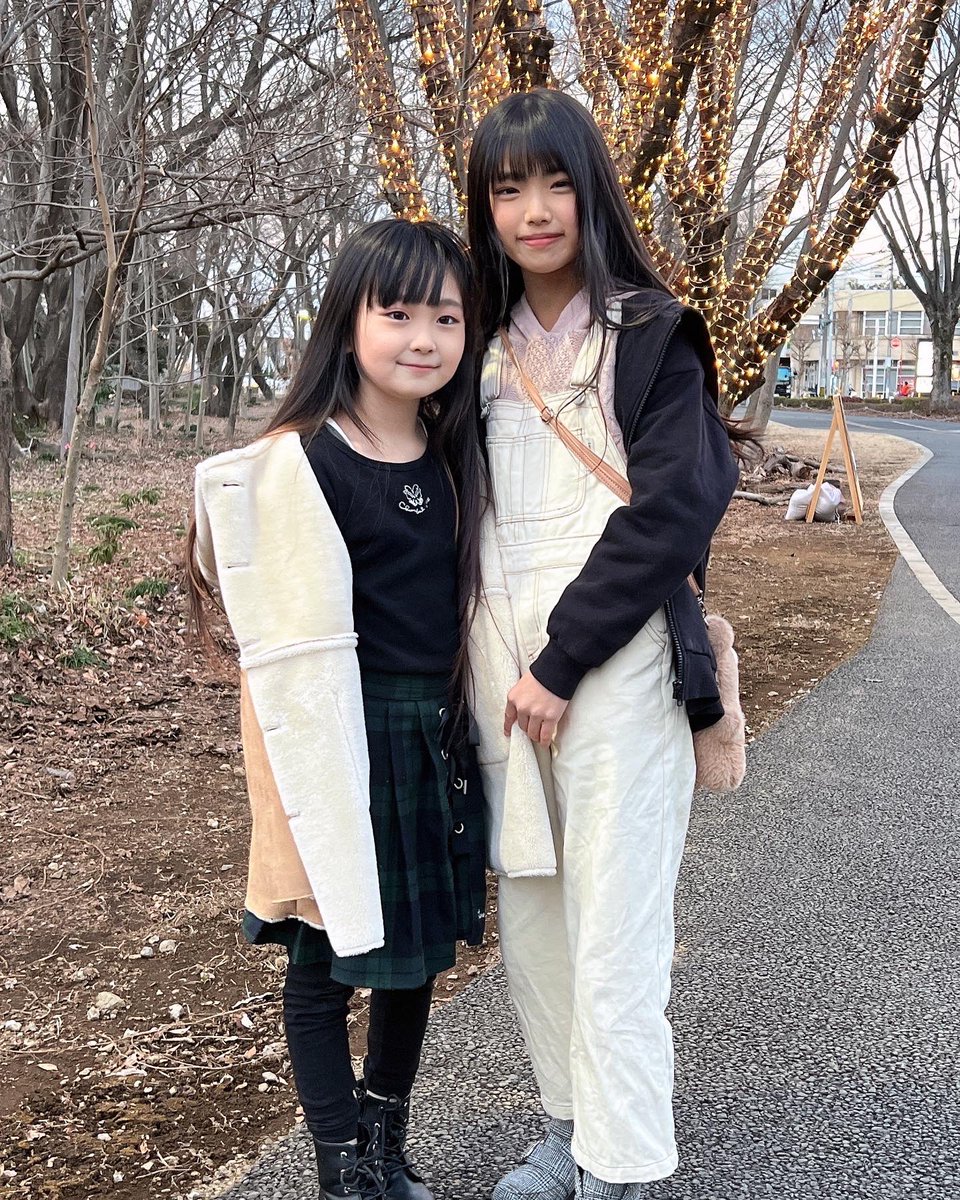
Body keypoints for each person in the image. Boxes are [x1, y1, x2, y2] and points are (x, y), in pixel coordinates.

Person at [465, 90, 754, 1200]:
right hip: (499, 680)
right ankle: (569, 1126)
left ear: (592, 191)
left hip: (616, 670)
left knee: (617, 928)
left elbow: (675, 507)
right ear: (486, 206)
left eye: (556, 182)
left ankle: (623, 1166)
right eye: (508, 189)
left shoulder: (651, 334)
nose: (535, 210)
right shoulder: (472, 342)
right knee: (536, 922)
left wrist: (562, 661)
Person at [185, 219, 488, 1200]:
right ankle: (341, 1163)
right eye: (396, 313)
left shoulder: (457, 453)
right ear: (347, 323)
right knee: (323, 963)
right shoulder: (302, 460)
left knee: (413, 959)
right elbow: (246, 581)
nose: (423, 338)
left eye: (446, 317)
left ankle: (386, 1139)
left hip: (432, 734)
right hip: (340, 743)